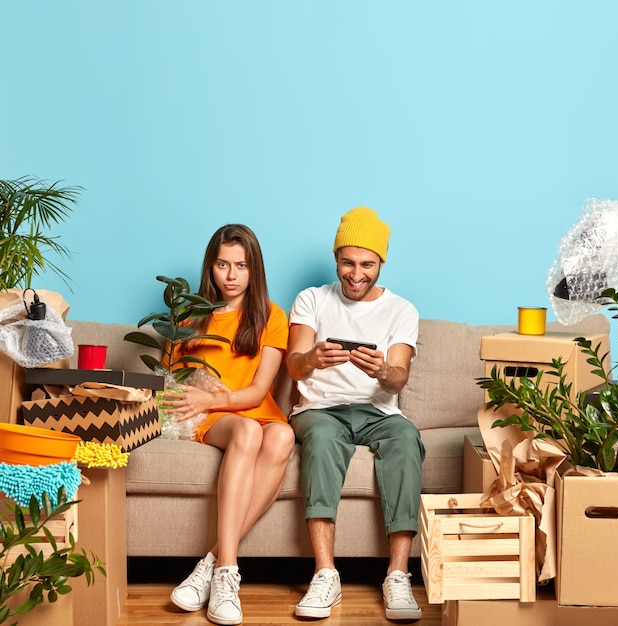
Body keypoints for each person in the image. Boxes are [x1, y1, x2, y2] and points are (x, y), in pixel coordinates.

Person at [286, 207, 425, 622]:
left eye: (367, 264)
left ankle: (397, 575)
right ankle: (325, 574)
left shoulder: (402, 310)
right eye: (348, 262)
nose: (356, 273)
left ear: (381, 263)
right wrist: (312, 358)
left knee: (406, 439)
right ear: (336, 260)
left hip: (379, 411)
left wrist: (382, 369)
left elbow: (398, 378)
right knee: (324, 440)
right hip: (320, 410)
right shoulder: (312, 298)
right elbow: (293, 365)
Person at [163, 224, 295, 626]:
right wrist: (204, 401)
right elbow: (173, 379)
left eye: (241, 265)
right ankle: (228, 573)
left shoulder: (271, 315)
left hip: (252, 407)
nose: (232, 275)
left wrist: (214, 396)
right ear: (211, 267)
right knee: (247, 431)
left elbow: (258, 392)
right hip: (215, 417)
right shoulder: (189, 316)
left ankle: (210, 563)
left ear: (254, 269)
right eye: (223, 264)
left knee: (283, 434)